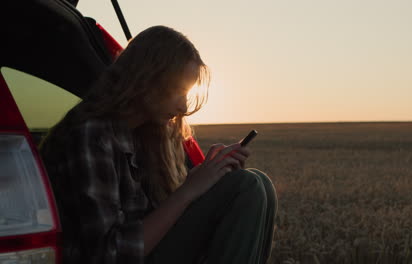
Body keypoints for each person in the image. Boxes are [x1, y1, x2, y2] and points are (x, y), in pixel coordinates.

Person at [39, 25, 278, 264]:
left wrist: (206, 180)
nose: (184, 107)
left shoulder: (147, 135)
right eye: (178, 91)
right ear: (145, 79)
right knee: (246, 186)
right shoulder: (92, 136)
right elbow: (108, 255)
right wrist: (188, 190)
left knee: (259, 183)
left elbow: (160, 217)